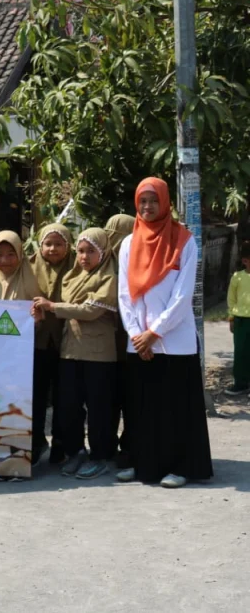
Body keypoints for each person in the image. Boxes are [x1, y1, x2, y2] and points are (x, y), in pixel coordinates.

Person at [117, 177, 212, 488]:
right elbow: (124, 295)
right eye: (143, 201)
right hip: (139, 342)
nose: (148, 206)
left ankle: (180, 466)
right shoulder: (129, 243)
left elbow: (183, 297)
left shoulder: (185, 241)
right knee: (141, 408)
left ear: (165, 202)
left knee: (175, 408)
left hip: (175, 341)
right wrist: (137, 334)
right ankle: (141, 463)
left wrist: (154, 333)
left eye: (154, 200)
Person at [33, 228, 119, 479]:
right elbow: (73, 306)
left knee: (98, 407)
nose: (84, 257)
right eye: (80, 251)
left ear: (103, 252)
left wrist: (53, 306)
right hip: (70, 351)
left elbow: (91, 310)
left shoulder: (109, 278)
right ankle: (76, 452)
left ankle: (100, 456)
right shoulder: (72, 276)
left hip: (98, 354)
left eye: (91, 251)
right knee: (69, 406)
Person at [0, 231, 42, 458]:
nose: (4, 260)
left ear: (20, 255)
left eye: (11, 254)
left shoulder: (31, 281)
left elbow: (38, 320)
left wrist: (36, 319)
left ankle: (20, 453)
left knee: (17, 404)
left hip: (19, 359)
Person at [30, 222, 75, 464]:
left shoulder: (77, 268)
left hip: (67, 342)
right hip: (36, 343)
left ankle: (60, 442)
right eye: (48, 244)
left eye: (59, 244)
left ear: (68, 246)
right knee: (36, 395)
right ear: (40, 246)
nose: (53, 249)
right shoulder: (28, 267)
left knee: (64, 397)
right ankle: (36, 441)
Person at [105, 213, 136, 465]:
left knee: (130, 400)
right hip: (105, 347)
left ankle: (129, 446)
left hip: (130, 345)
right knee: (109, 401)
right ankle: (107, 446)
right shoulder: (100, 263)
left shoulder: (136, 264)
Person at [226, 242, 250, 396]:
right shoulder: (237, 277)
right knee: (240, 352)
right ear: (245, 261)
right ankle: (241, 384)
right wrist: (231, 318)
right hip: (241, 320)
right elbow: (231, 299)